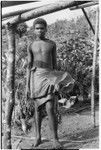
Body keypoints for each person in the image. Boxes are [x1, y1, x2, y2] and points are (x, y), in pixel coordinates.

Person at [26, 18, 74, 148]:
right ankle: (38, 137)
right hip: (36, 77)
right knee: (37, 109)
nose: (39, 30)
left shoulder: (51, 44)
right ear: (34, 30)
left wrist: (57, 81)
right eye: (37, 28)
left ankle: (55, 139)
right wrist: (27, 85)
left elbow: (55, 64)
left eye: (42, 28)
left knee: (50, 108)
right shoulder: (31, 45)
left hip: (49, 77)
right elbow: (29, 66)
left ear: (46, 29)